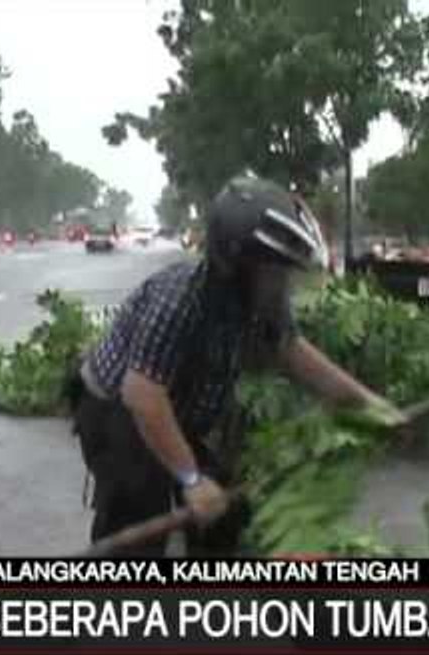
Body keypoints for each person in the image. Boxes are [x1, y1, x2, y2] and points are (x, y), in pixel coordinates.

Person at [69, 174, 407, 556]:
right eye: (276, 272)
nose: (284, 284)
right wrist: (191, 479)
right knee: (139, 520)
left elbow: (293, 353)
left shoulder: (262, 299)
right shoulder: (180, 298)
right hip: (117, 411)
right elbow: (143, 397)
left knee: (225, 514)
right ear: (237, 267)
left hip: (174, 410)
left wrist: (368, 406)